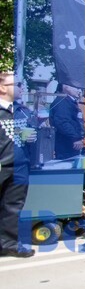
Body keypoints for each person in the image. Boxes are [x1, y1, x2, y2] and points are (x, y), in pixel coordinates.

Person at [0, 72, 36, 257]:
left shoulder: (22, 110)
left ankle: (9, 243)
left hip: (20, 164)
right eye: (16, 84)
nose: (21, 87)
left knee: (13, 205)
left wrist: (30, 137)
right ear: (2, 87)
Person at [50, 84, 85, 160]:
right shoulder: (62, 102)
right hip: (66, 144)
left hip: (70, 142)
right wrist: (75, 138)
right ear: (66, 87)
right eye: (76, 87)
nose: (79, 91)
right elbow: (62, 122)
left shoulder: (68, 101)